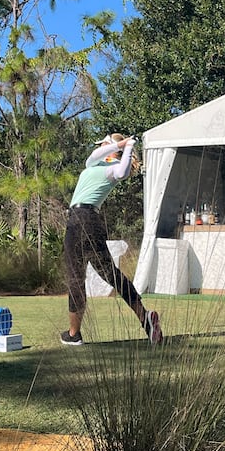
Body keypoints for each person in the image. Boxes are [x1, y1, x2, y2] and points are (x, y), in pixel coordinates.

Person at [62, 133, 162, 346]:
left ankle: (73, 334)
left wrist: (126, 148)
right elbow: (94, 155)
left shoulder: (113, 167)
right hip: (91, 221)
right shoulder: (95, 163)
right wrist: (122, 144)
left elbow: (123, 172)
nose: (101, 147)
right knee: (112, 276)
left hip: (80, 220)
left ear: (112, 148)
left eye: (105, 143)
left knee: (75, 278)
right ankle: (146, 320)